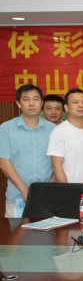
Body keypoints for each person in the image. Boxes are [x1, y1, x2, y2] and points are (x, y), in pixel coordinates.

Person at [0, 84, 55, 217]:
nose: (31, 103)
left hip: (47, 197)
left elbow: (58, 161)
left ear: (41, 103)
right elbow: (3, 162)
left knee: (48, 231)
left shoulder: (53, 129)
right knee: (16, 230)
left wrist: (50, 186)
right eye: (26, 99)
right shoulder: (6, 128)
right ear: (18, 103)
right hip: (18, 197)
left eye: (35, 99)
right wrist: (24, 189)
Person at [46, 88, 83, 190]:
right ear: (66, 107)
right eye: (75, 102)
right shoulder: (59, 131)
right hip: (71, 188)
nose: (81, 105)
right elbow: (56, 165)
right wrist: (68, 190)